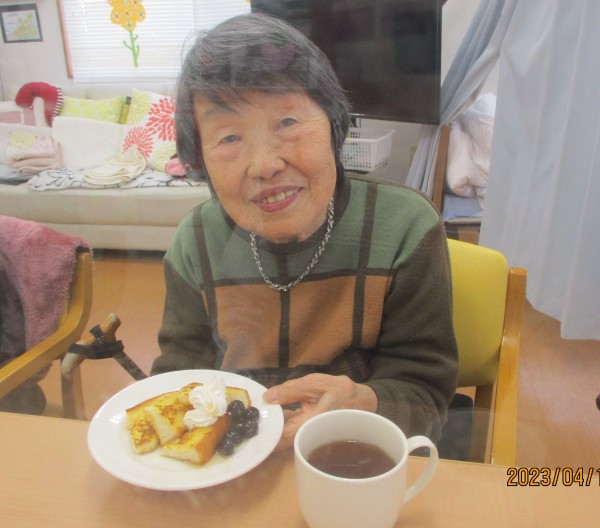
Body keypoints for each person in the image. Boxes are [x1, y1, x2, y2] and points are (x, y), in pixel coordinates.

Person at [151, 13, 458, 451]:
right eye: (229, 138)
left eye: (288, 123)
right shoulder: (195, 242)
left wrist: (362, 406)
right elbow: (178, 382)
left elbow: (425, 393)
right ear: (200, 159)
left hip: (356, 456)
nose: (265, 165)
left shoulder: (404, 227)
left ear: (334, 123)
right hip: (235, 466)